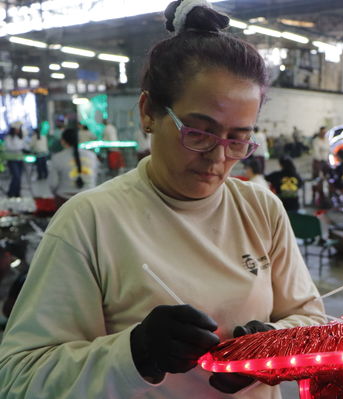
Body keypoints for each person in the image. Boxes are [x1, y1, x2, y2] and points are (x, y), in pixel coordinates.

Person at [0, 2, 325, 399]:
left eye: (237, 139)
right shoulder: (90, 222)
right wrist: (134, 354)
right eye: (199, 132)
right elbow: (18, 378)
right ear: (148, 113)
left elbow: (309, 318)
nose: (218, 158)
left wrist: (270, 344)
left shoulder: (261, 209)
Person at [48, 128, 98, 208]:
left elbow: (53, 184)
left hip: (64, 201)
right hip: (89, 200)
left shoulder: (57, 158)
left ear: (63, 141)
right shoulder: (91, 156)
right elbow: (94, 178)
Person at [4, 124, 25, 197]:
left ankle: (17, 193)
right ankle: (10, 193)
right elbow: (10, 147)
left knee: (19, 177)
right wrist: (18, 148)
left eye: (18, 129)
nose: (18, 130)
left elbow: (22, 146)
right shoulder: (8, 137)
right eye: (16, 129)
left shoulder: (19, 137)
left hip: (20, 159)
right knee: (16, 176)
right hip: (12, 160)